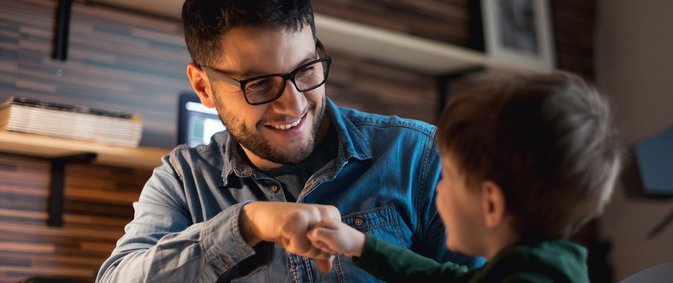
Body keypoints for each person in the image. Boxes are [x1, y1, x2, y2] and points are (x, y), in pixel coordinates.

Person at [96, 0, 478, 282]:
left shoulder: (420, 156)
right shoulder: (183, 180)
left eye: (306, 69)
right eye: (259, 84)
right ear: (203, 87)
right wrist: (243, 226)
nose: (293, 105)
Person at [304, 72, 622, 282]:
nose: (437, 189)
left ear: (491, 204)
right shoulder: (529, 266)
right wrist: (360, 245)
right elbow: (440, 277)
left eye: (449, 178)